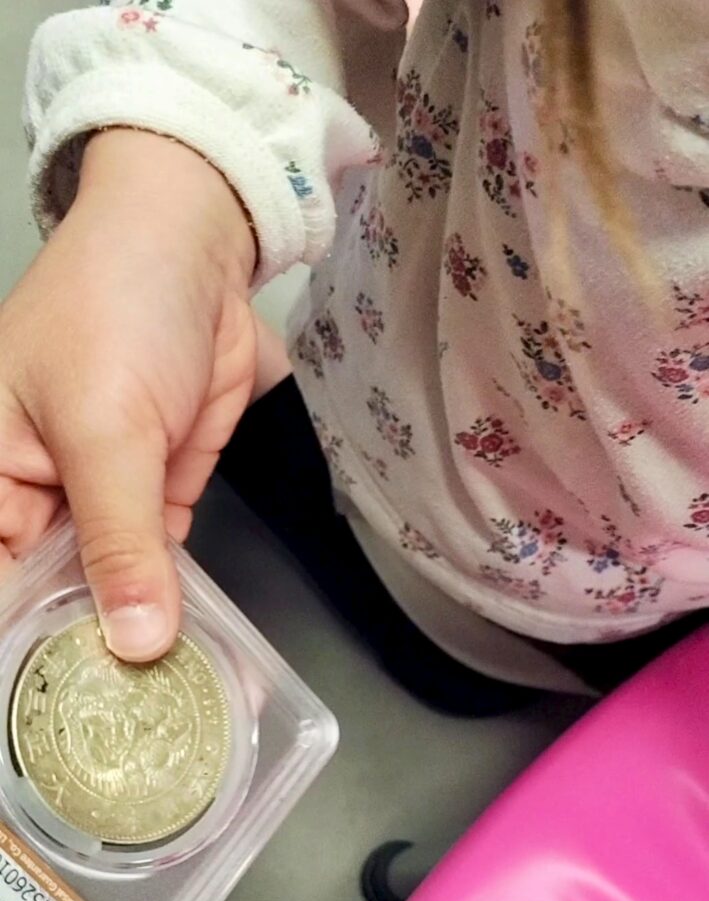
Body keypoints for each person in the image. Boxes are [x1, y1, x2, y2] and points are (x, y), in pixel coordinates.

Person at [1, 0, 708, 714]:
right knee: (439, 646)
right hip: (427, 446)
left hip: (649, 592)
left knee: (474, 670)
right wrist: (164, 204)